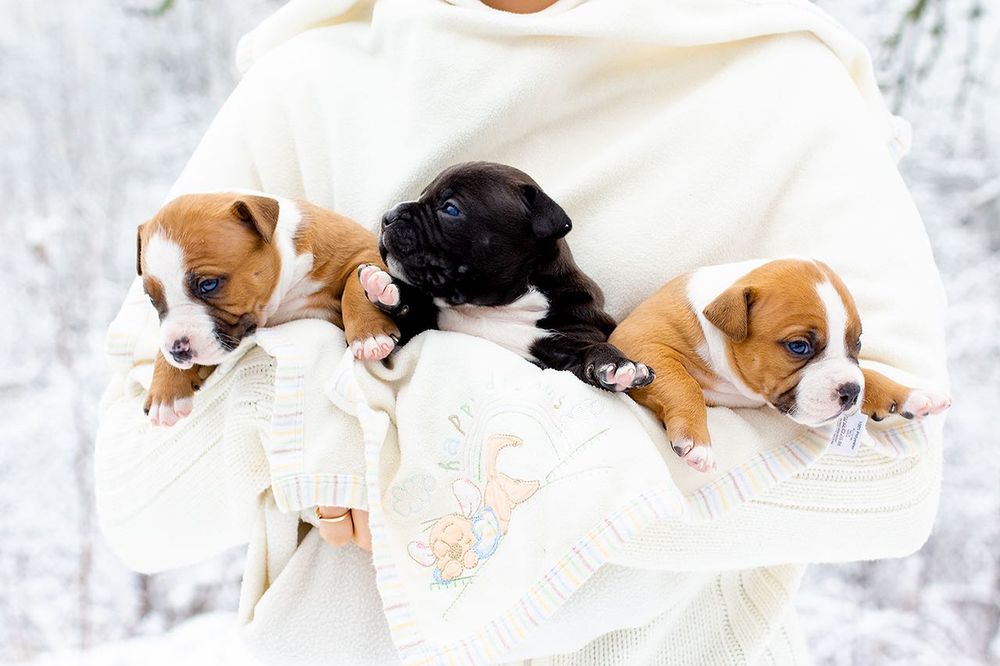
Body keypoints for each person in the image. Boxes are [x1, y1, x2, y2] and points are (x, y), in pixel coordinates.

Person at [96, 0, 949, 663]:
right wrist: (323, 413)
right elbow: (140, 502)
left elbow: (888, 483)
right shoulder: (312, 79)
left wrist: (402, 459)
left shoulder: (778, 83)